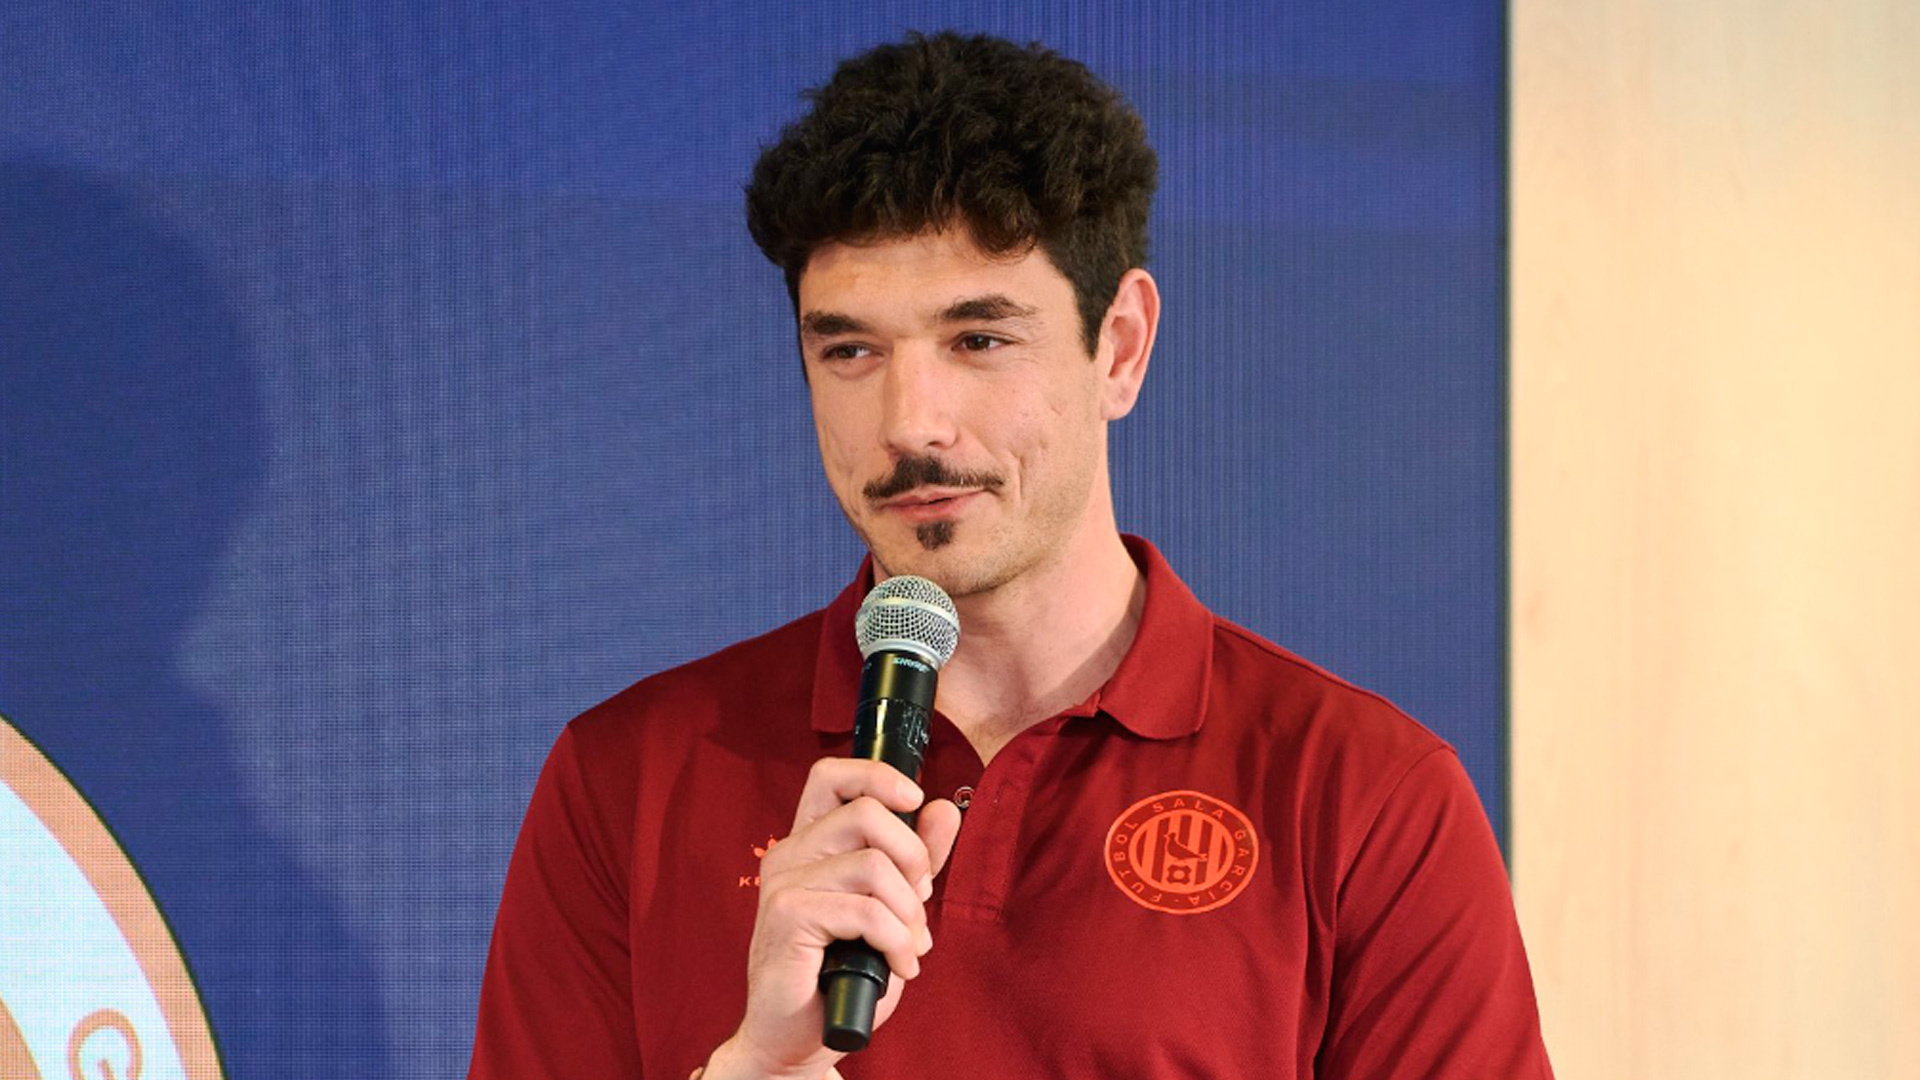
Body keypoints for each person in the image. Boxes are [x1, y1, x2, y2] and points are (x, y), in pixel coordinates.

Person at [469, 31, 1553, 1079]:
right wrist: (754, 1071)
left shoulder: (1363, 794)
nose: (911, 423)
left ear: (1119, 347)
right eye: (850, 349)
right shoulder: (630, 778)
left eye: (978, 340)